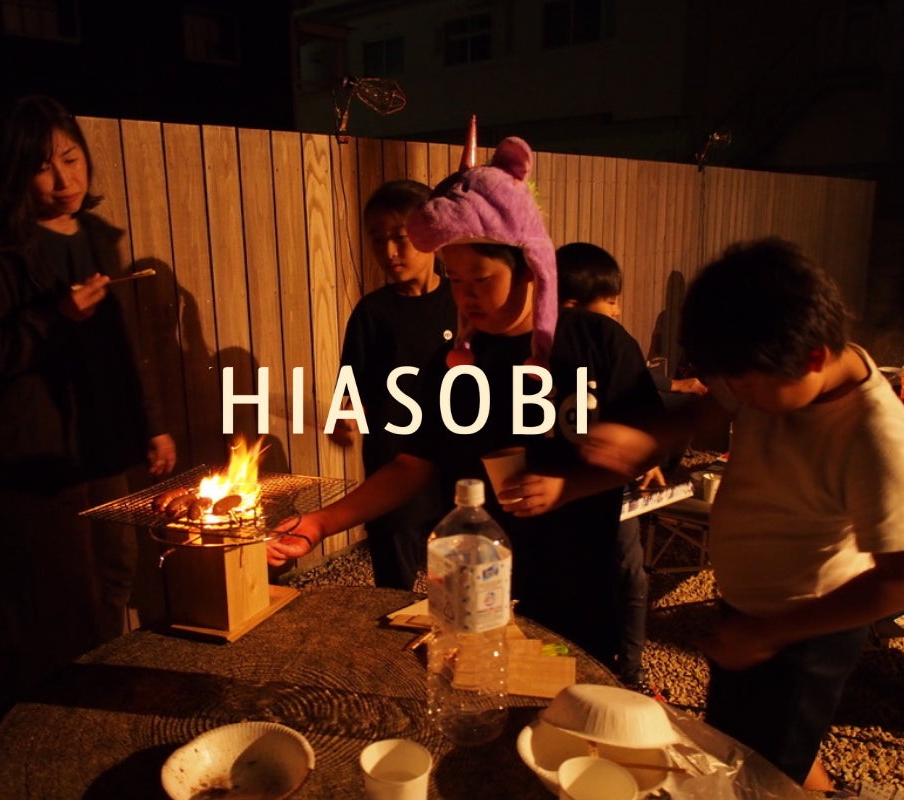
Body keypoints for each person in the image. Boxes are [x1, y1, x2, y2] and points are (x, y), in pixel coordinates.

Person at [268, 134, 663, 666]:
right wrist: (319, 524)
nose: (464, 295)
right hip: (477, 591)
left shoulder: (598, 343)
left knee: (571, 702)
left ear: (530, 267)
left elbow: (654, 443)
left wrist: (570, 485)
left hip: (579, 589)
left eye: (480, 278)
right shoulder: (456, 365)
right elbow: (412, 464)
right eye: (454, 279)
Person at [579, 238, 904, 791]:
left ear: (813, 358)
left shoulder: (875, 438)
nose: (736, 396)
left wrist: (771, 632)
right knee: (736, 748)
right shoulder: (774, 358)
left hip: (804, 635)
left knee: (765, 778)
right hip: (749, 614)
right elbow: (709, 406)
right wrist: (647, 438)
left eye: (746, 385)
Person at [0, 95, 177, 693]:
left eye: (71, 159)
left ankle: (100, 687)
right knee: (63, 593)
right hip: (42, 454)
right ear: (14, 173)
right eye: (42, 167)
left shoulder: (97, 238)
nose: (65, 181)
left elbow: (125, 345)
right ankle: (66, 707)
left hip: (102, 439)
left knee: (116, 571)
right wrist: (54, 316)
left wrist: (153, 424)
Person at [330, 180, 457, 590]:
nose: (388, 252)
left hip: (454, 464)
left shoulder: (460, 302)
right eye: (377, 239)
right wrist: (345, 417)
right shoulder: (372, 312)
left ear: (432, 235)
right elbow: (350, 387)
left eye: (400, 238)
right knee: (394, 585)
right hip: (392, 462)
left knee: (457, 582)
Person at [555, 241, 661, 688]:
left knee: (628, 575)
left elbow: (642, 419)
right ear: (569, 305)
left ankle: (629, 671)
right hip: (570, 500)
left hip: (609, 493)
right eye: (611, 302)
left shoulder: (612, 345)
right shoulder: (550, 347)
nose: (617, 311)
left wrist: (645, 457)